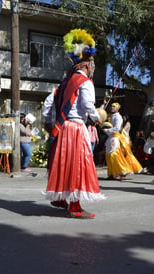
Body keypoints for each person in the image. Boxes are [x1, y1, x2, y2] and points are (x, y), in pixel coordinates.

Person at [41, 29, 105, 219]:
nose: (93, 68)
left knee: (64, 164)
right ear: (87, 64)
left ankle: (60, 198)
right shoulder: (84, 82)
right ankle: (75, 207)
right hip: (76, 128)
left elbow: (48, 102)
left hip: (63, 128)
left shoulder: (66, 82)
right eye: (92, 64)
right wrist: (96, 117)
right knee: (77, 166)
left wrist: (48, 122)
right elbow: (87, 105)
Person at [103, 102, 142, 180]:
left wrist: (107, 130)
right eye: (111, 106)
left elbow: (117, 128)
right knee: (108, 155)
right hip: (110, 137)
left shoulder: (118, 117)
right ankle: (112, 173)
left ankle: (121, 171)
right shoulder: (111, 116)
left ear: (117, 108)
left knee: (114, 154)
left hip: (115, 137)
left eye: (114, 106)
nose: (112, 108)